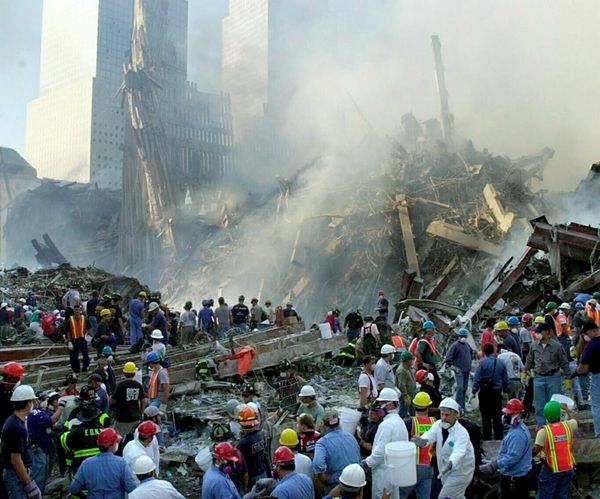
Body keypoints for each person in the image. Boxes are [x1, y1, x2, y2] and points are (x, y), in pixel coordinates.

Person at [412, 398, 475, 499]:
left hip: (460, 472)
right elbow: (429, 435)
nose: (443, 418)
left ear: (455, 415)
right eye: (442, 414)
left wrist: (452, 462)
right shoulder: (438, 425)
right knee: (456, 496)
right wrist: (423, 441)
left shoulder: (461, 433)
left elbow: (459, 451)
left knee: (446, 496)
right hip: (446, 469)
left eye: (447, 415)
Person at [479, 399, 533, 499]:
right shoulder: (517, 429)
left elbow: (513, 457)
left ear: (518, 415)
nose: (506, 417)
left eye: (509, 414)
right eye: (506, 414)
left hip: (515, 478)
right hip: (516, 476)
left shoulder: (517, 435)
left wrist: (494, 465)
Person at [361, 388, 409, 499]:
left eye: (382, 403)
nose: (380, 406)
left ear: (391, 404)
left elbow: (380, 451)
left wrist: (366, 463)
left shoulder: (387, 424)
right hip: (395, 471)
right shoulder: (399, 421)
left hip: (384, 472)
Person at [69, 428, 138, 498]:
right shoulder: (121, 463)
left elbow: (73, 489)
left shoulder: (86, 464)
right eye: (116, 442)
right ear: (112, 445)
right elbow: (131, 487)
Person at [525, 322, 569, 428]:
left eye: (540, 332)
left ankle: (556, 427)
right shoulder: (534, 345)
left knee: (554, 403)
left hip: (553, 378)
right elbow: (529, 360)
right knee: (539, 405)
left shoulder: (557, 346)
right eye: (537, 332)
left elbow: (564, 362)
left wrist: (568, 378)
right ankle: (541, 427)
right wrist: (525, 373)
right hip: (538, 378)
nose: (538, 334)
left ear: (547, 332)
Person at [1, 385, 41, 499]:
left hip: (19, 473)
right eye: (32, 401)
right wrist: (29, 485)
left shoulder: (16, 421)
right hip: (16, 475)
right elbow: (16, 460)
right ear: (28, 403)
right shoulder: (16, 427)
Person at [533, 401, 577, 499]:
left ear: (546, 417)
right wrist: (567, 409)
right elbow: (575, 420)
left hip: (552, 469)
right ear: (559, 415)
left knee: (545, 496)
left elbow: (536, 449)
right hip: (568, 468)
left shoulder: (544, 432)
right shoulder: (568, 426)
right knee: (561, 495)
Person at [313, 409, 361, 494]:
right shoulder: (350, 436)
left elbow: (318, 463)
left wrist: (324, 477)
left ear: (323, 424)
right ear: (339, 423)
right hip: (355, 480)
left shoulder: (322, 443)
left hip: (336, 482)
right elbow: (358, 457)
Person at [399, 392, 435, 499]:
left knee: (400, 495)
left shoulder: (409, 422)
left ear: (414, 406)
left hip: (412, 467)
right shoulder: (434, 422)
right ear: (428, 407)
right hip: (429, 467)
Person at [472, 343, 508, 440]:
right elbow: (505, 379)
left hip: (485, 393)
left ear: (484, 352)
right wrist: (505, 390)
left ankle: (487, 438)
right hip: (496, 393)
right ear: (493, 351)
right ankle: (498, 437)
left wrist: (474, 391)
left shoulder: (482, 363)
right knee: (497, 416)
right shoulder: (501, 363)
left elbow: (477, 378)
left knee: (485, 417)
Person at [60, 404, 103, 475]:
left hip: (80, 466)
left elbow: (63, 441)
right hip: (100, 466)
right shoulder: (103, 431)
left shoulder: (75, 432)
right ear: (96, 417)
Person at [576, 319, 600, 435]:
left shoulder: (591, 346)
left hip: (597, 377)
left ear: (591, 332)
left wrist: (576, 373)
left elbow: (583, 367)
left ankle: (599, 432)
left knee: (597, 406)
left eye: (585, 334)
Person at [111, 361, 147, 436]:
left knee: (121, 439)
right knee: (134, 437)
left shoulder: (120, 385)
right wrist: (141, 412)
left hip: (121, 418)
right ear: (134, 373)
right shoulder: (138, 385)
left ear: (124, 373)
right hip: (135, 417)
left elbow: (112, 400)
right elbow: (144, 401)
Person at [443, 328, 473, 409]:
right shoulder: (455, 346)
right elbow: (448, 359)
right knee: (460, 388)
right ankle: (457, 407)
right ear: (458, 336)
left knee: (464, 389)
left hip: (466, 371)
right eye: (461, 336)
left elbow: (471, 354)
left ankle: (462, 407)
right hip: (459, 371)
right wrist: (454, 368)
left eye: (464, 336)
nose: (463, 338)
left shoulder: (467, 345)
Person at [237, 406, 266, 488]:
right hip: (262, 473)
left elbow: (241, 466)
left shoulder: (243, 443)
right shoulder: (261, 435)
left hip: (252, 477)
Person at [64, 304, 91, 374]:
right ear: (73, 311)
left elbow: (88, 328)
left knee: (86, 355)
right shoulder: (70, 319)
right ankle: (76, 371)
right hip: (74, 340)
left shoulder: (84, 318)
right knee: (74, 357)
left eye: (78, 310)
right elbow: (68, 331)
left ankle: (85, 368)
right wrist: (69, 341)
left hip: (82, 339)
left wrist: (88, 336)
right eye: (76, 310)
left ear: (80, 310)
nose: (77, 311)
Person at [414, 321, 440, 389]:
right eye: (433, 329)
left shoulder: (429, 340)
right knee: (433, 382)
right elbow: (417, 352)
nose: (434, 331)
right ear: (429, 330)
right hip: (427, 367)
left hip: (430, 366)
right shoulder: (424, 341)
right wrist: (423, 363)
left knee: (435, 381)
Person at [395, 351, 416, 417]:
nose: (412, 361)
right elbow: (401, 385)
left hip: (411, 393)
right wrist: (405, 395)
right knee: (403, 411)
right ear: (407, 361)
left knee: (413, 411)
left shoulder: (408, 368)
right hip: (406, 395)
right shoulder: (402, 370)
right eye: (411, 360)